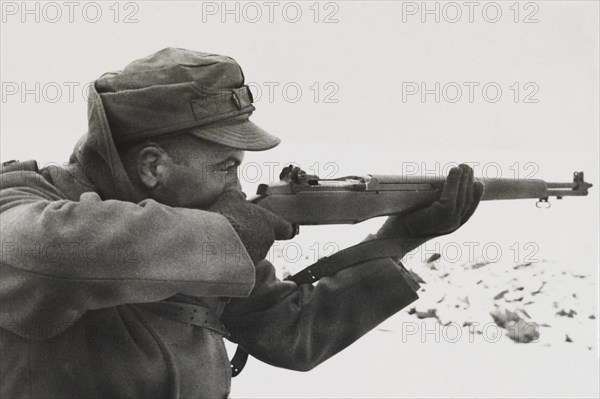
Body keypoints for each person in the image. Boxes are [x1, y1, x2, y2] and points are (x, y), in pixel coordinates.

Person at [0, 48, 482, 399]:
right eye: (225, 166)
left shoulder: (200, 233)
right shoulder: (22, 201)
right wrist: (231, 233)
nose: (235, 188)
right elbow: (56, 252)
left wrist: (398, 238)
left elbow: (294, 333)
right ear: (153, 166)